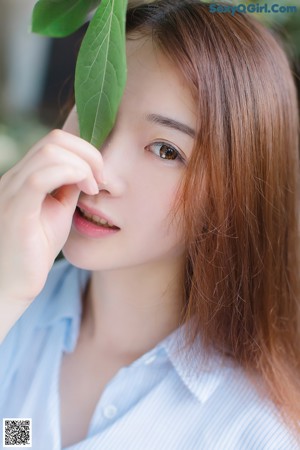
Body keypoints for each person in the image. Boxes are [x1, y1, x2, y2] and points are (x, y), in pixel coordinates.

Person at [0, 1, 299, 449]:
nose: (99, 172)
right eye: (97, 109)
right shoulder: (16, 308)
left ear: (233, 194)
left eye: (165, 150)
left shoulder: (253, 431)